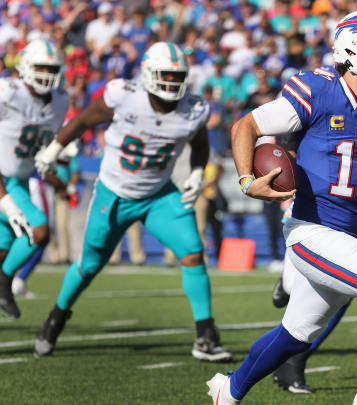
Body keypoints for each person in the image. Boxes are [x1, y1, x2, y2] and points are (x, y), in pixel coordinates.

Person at [206, 10, 357, 405]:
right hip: (311, 230)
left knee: (294, 334)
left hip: (355, 236)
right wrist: (248, 181)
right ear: (352, 50)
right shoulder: (317, 88)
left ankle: (227, 392)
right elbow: (245, 125)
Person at [32, 42, 232, 362]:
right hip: (114, 192)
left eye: (176, 75)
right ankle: (56, 317)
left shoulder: (194, 109)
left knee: (193, 253)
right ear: (149, 74)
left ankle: (206, 335)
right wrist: (54, 150)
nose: (171, 82)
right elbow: (84, 119)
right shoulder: (124, 95)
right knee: (89, 265)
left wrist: (196, 172)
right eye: (165, 75)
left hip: (157, 195)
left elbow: (200, 143)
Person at [0, 39, 69, 319]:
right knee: (38, 229)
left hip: (18, 179)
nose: (46, 75)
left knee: (4, 249)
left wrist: (53, 167)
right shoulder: (7, 92)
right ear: (26, 67)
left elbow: (42, 144)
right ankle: (4, 282)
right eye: (40, 68)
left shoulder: (60, 101)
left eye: (51, 69)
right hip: (3, 180)